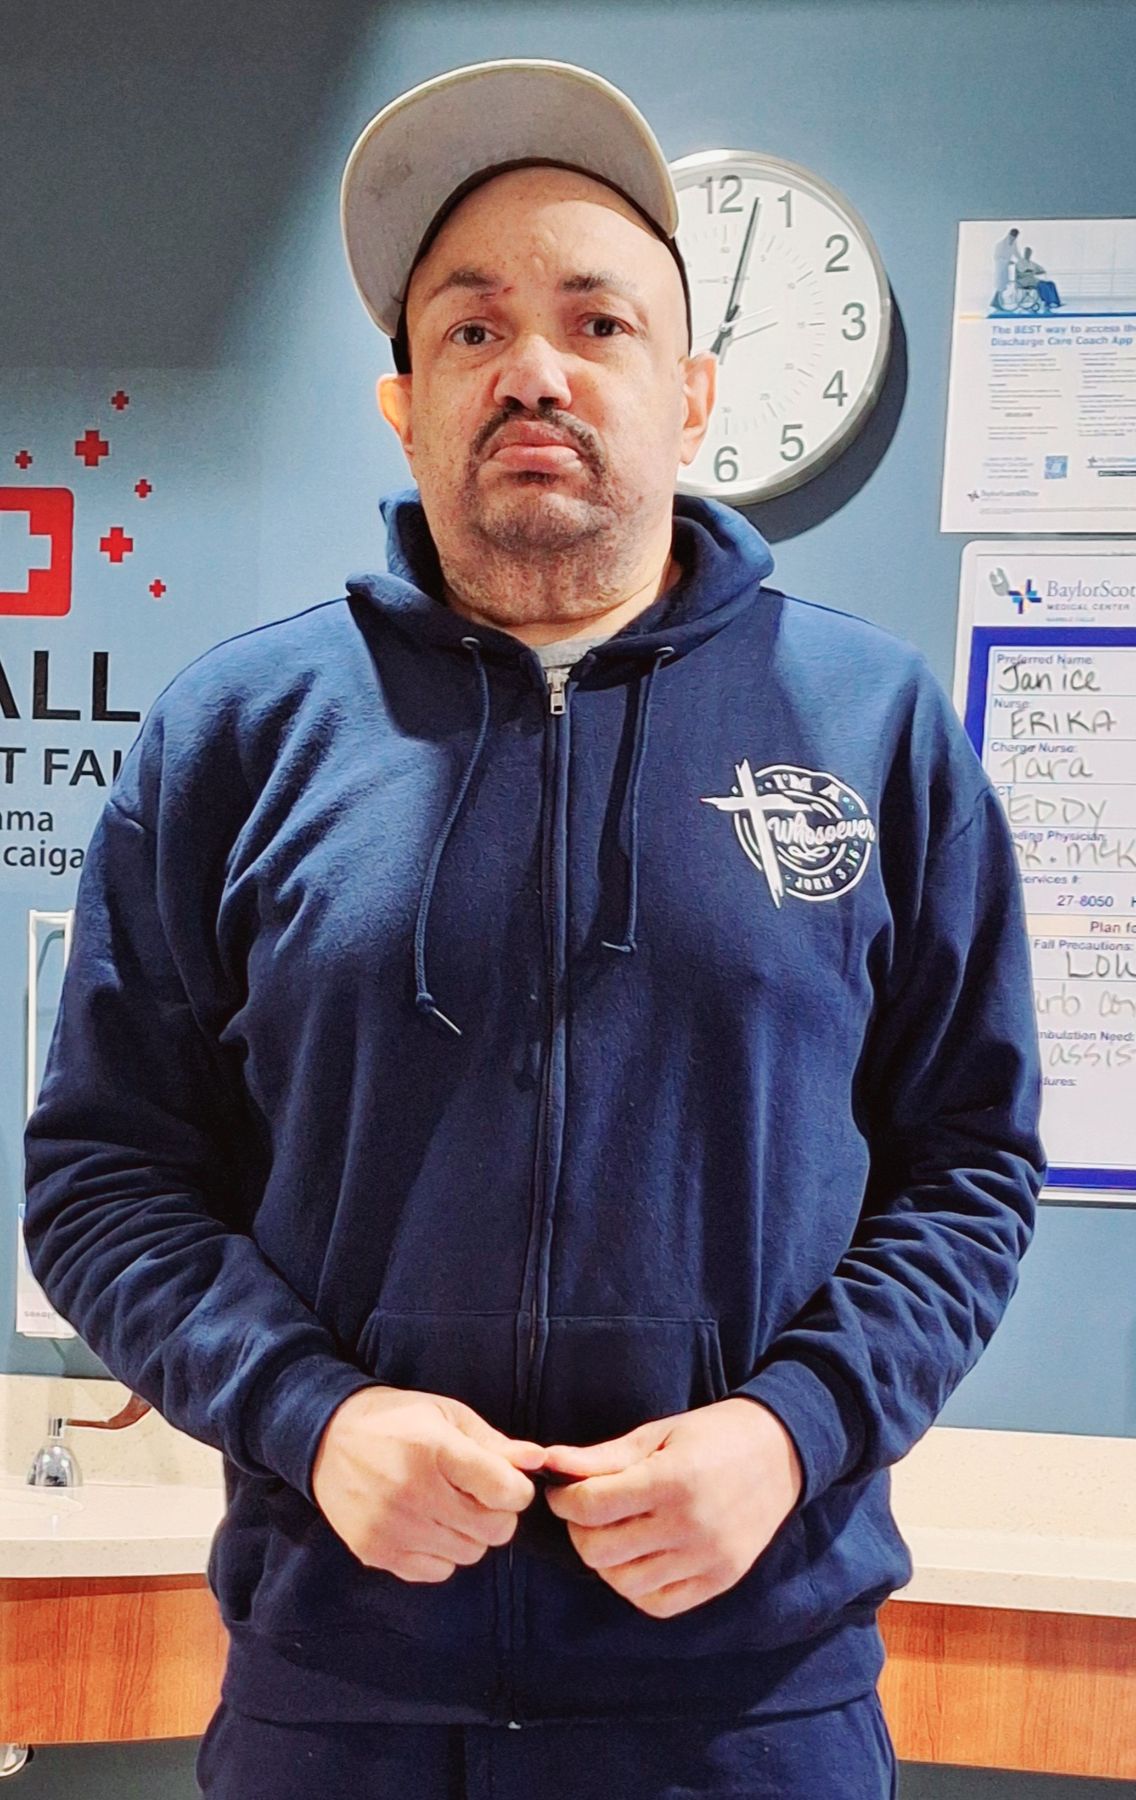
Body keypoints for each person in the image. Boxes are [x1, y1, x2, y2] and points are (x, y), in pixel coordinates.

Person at [23, 57, 1045, 1800]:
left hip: (751, 1708)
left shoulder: (874, 735)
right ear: (403, 401)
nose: (536, 370)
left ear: (692, 393)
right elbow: (101, 1179)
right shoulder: (237, 736)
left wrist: (788, 1434)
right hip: (341, 1705)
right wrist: (314, 1416)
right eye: (473, 328)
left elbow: (970, 1167)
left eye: (599, 321)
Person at [990, 224, 1020, 308]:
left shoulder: (1013, 243)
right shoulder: (1001, 244)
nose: (1013, 239)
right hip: (1000, 267)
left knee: (1003, 285)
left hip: (1006, 267)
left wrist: (1022, 261)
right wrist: (1007, 261)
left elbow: (1016, 253)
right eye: (1012, 236)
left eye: (1015, 237)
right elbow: (997, 257)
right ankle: (997, 302)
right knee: (1000, 284)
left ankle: (997, 302)